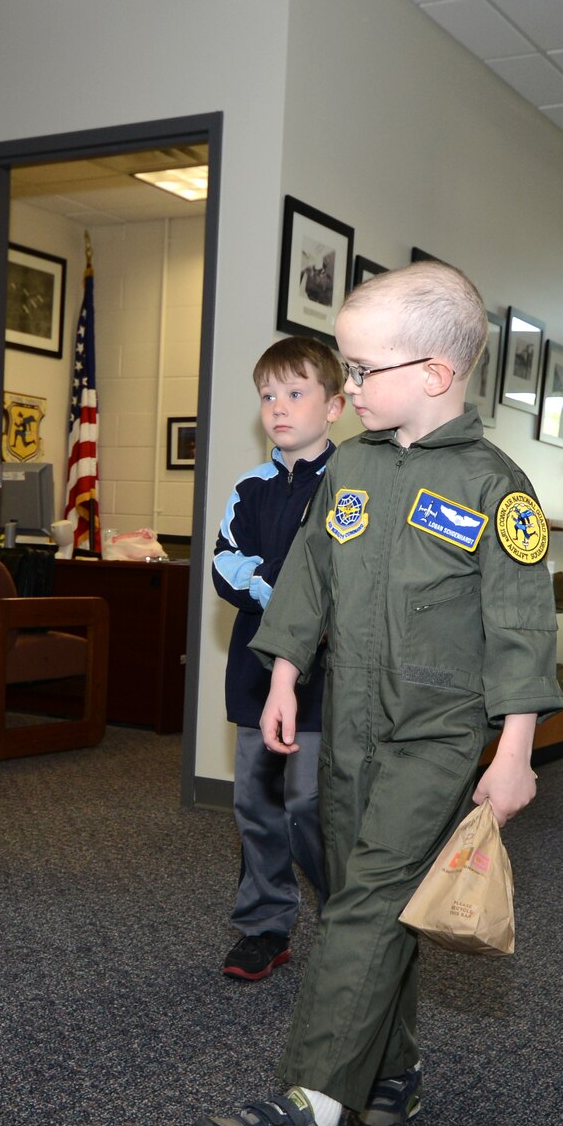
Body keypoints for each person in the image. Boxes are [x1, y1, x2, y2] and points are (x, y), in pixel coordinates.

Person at [191, 261, 563, 1126]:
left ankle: (312, 1107)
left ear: (435, 372)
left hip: (435, 738)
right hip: (347, 719)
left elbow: (522, 630)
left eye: (361, 372)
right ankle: (391, 1071)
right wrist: (282, 676)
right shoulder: (350, 467)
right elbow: (311, 576)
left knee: (360, 902)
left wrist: (514, 751)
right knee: (380, 900)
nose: (346, 389)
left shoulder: (494, 488)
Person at [211, 338, 343, 980]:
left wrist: (284, 584)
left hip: (326, 681)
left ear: (336, 404)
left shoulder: (352, 488)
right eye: (269, 396)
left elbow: (344, 580)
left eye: (296, 393)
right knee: (256, 804)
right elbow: (225, 567)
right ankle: (265, 924)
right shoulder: (251, 487)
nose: (279, 407)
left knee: (309, 807)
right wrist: (288, 586)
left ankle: (350, 920)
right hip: (256, 673)